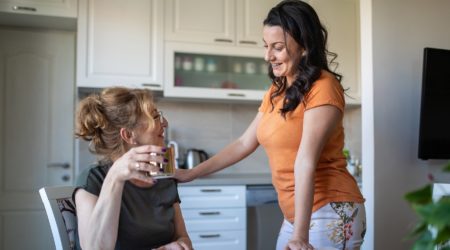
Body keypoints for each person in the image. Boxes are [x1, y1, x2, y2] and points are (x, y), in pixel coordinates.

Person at [174, 1, 366, 249]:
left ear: (305, 46)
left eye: (278, 48)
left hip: (330, 208)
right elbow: (244, 143)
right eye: (266, 47)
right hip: (297, 215)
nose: (268, 56)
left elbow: (305, 159)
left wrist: (300, 236)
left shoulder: (323, 87)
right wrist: (190, 174)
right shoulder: (278, 89)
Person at [73, 87, 192, 250]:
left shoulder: (164, 176)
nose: (165, 123)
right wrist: (115, 177)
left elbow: (182, 237)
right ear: (129, 135)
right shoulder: (93, 179)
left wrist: (181, 245)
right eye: (156, 116)